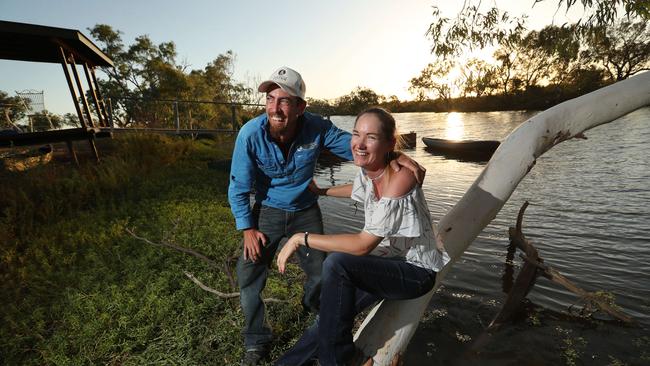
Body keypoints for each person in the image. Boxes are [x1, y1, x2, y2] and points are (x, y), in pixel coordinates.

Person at [228, 67, 425, 366]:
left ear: (300, 107)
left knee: (322, 276)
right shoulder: (250, 135)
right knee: (249, 277)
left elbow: (358, 146)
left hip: (305, 211)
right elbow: (238, 186)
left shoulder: (317, 128)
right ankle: (256, 341)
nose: (275, 108)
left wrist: (394, 154)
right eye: (270, 99)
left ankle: (320, 315)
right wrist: (246, 228)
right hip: (266, 212)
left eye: (284, 100)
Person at [275, 107, 450, 366]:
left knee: (337, 263)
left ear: (390, 142)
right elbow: (356, 189)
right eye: (356, 134)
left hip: (415, 271)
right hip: (387, 261)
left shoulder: (401, 177)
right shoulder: (369, 171)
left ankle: (340, 361)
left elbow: (362, 245)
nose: (360, 143)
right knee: (328, 318)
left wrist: (301, 238)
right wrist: (322, 192)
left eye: (371, 137)